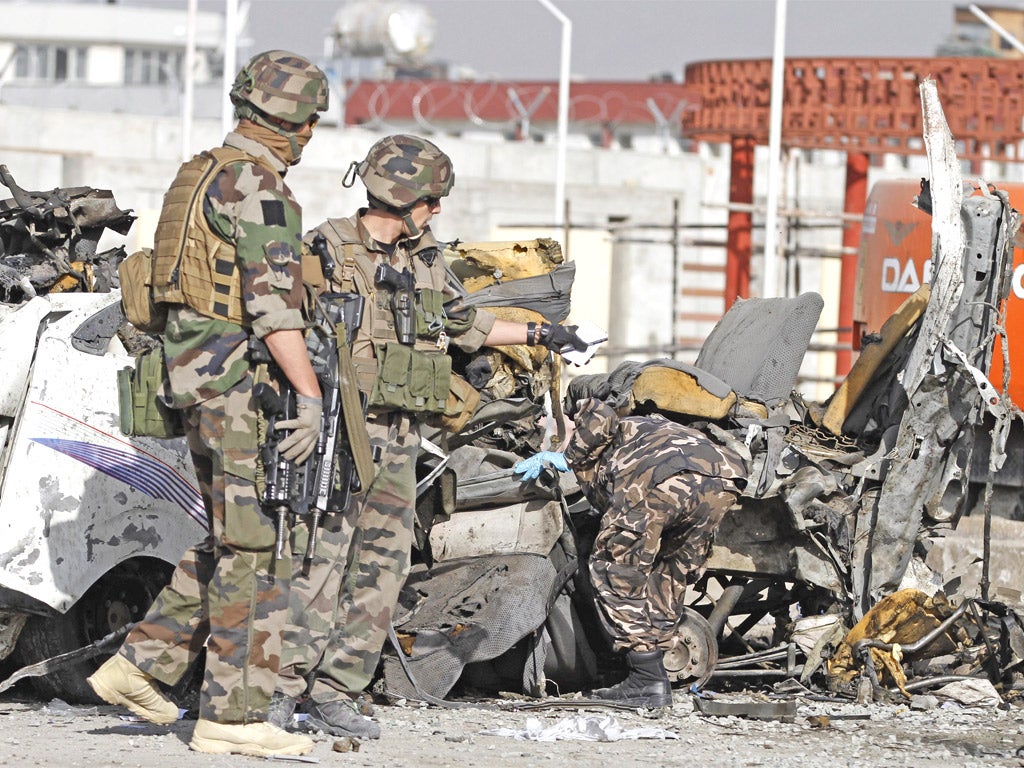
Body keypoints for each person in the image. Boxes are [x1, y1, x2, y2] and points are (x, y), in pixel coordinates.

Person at [269, 134, 588, 738]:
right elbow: (274, 326)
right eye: (432, 199)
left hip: (398, 442)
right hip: (335, 435)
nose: (438, 210)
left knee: (381, 570)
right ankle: (281, 692)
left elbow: (467, 324)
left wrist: (550, 335)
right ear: (406, 197)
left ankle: (338, 690)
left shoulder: (424, 261)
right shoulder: (322, 251)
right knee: (316, 565)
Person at [86, 50, 329, 757]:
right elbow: (275, 312)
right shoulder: (262, 189)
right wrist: (309, 398)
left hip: (189, 377)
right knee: (256, 549)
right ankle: (233, 714)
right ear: (297, 124)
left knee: (230, 535)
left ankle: (141, 667)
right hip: (235, 387)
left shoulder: (199, 174)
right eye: (311, 121)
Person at [514, 391, 746, 707]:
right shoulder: (635, 430)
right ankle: (658, 668)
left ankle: (647, 678)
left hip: (657, 480)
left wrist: (566, 457)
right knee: (668, 571)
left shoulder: (585, 416)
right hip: (723, 477)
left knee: (613, 571)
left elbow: (599, 419)